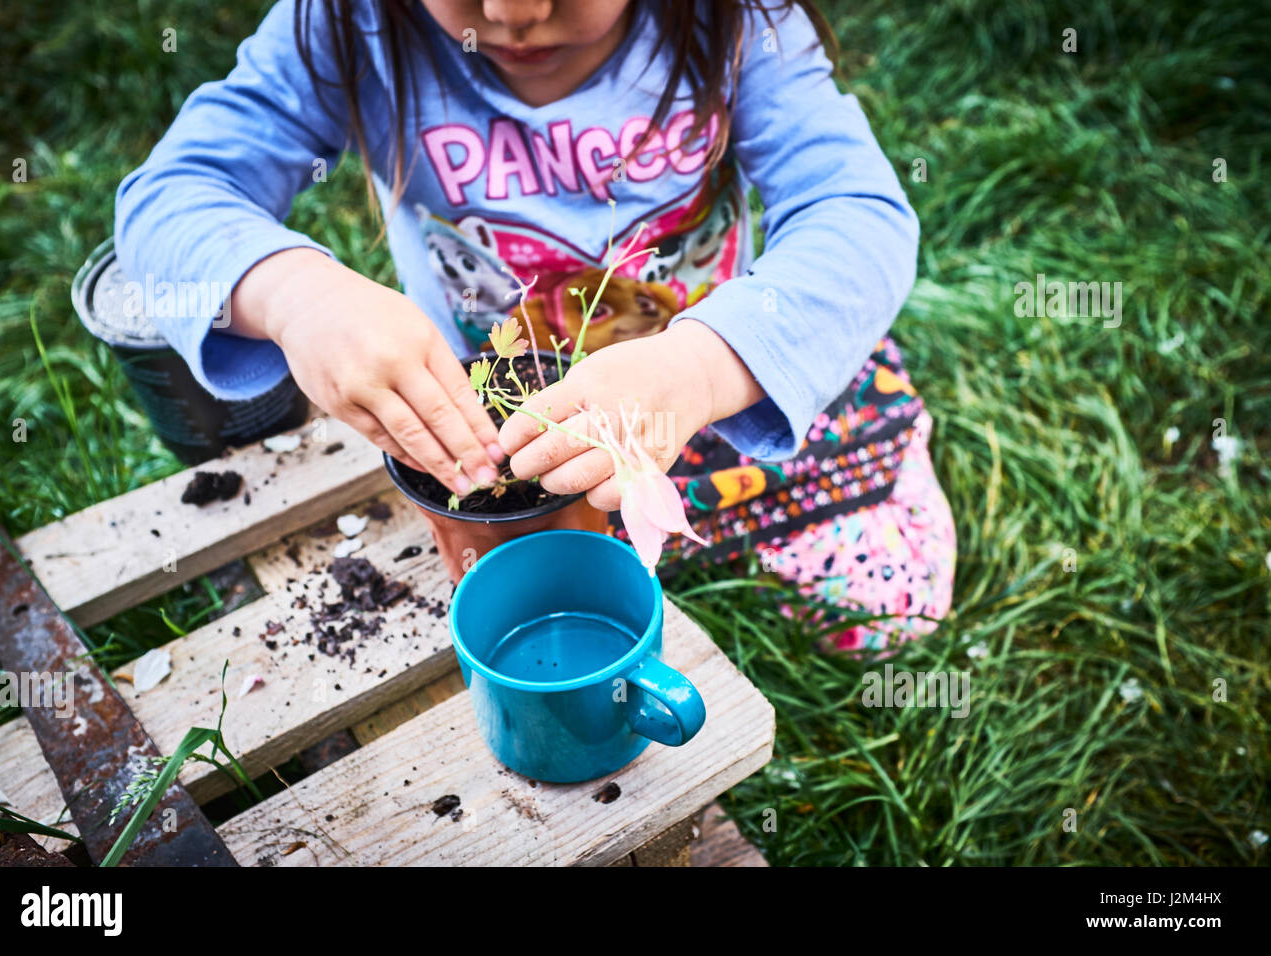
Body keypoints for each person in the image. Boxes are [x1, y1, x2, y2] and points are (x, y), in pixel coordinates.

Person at [115, 0, 955, 652]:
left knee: (885, 601)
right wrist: (295, 295)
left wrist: (700, 371)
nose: (514, 16)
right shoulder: (350, 23)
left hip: (703, 394)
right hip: (485, 435)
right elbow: (170, 199)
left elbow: (859, 217)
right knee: (533, 593)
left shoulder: (734, 21)